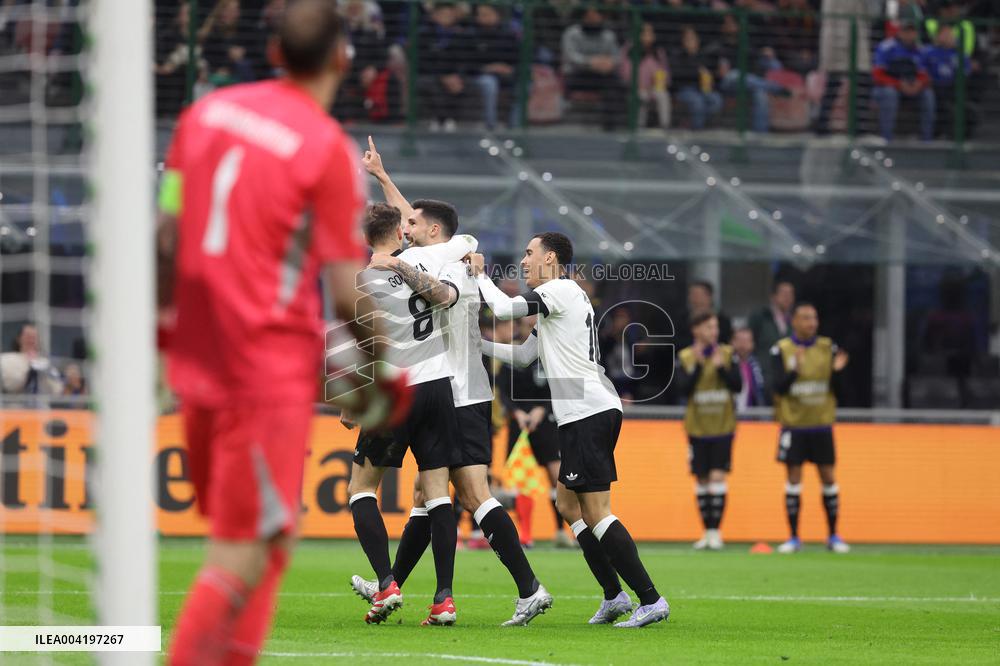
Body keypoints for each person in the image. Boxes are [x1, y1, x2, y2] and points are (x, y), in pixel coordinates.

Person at [159, 3, 410, 663]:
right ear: (342, 59)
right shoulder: (325, 148)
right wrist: (383, 368)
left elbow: (165, 233)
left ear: (274, 51)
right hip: (261, 365)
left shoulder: (202, 115)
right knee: (243, 549)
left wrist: (163, 338)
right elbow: (341, 287)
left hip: (198, 356)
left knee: (267, 536)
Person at [350, 138, 552, 626]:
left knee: (472, 494)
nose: (406, 228)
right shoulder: (450, 255)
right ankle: (399, 586)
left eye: (414, 225)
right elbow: (410, 221)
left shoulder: (443, 261)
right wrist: (382, 176)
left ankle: (528, 588)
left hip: (457, 390)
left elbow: (410, 236)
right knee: (429, 494)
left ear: (431, 231)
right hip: (451, 387)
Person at [470, 233, 670, 629]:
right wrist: (479, 343)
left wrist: (480, 274)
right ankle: (614, 596)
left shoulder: (560, 288)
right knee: (567, 505)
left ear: (552, 258)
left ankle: (650, 599)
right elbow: (527, 356)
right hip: (582, 412)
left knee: (596, 513)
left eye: (529, 254)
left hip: (587, 410)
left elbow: (505, 307)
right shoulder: (556, 302)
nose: (524, 262)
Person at [340, 202, 476, 627]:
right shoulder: (425, 259)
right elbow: (465, 244)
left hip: (397, 390)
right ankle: (444, 599)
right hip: (438, 386)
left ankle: (386, 582)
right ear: (400, 233)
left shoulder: (360, 281)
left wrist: (349, 404)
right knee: (437, 492)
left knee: (361, 488)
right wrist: (471, 257)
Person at [770, 302, 851, 554]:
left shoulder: (828, 348)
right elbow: (777, 388)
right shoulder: (781, 350)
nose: (811, 323)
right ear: (794, 321)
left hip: (821, 425)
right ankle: (793, 537)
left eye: (814, 318)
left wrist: (837, 373)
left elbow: (841, 392)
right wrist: (794, 369)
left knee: (828, 478)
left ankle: (833, 536)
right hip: (794, 426)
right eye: (805, 318)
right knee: (793, 479)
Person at [496, 316, 572, 548]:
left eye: (534, 326)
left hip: (546, 424)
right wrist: (516, 412)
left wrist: (543, 408)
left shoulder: (550, 353)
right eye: (527, 326)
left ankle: (563, 531)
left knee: (556, 476)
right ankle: (525, 534)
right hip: (519, 424)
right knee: (520, 480)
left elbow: (559, 387)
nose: (530, 330)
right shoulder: (511, 356)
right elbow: (503, 391)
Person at [675, 311, 742, 551]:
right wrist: (701, 366)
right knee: (702, 479)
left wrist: (722, 368)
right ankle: (706, 531)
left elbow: (738, 385)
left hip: (723, 426)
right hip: (697, 427)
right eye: (708, 327)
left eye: (715, 327)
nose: (713, 332)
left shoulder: (727, 354)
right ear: (697, 330)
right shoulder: (685, 356)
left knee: (717, 477)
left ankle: (716, 531)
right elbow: (683, 389)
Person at [815, 0, 874, 135]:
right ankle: (822, 127)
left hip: (856, 38)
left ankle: (860, 128)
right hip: (838, 42)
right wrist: (841, 44)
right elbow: (836, 17)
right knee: (834, 83)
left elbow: (871, 15)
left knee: (862, 80)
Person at [561, 5, 624, 131]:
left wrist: (609, 63)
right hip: (577, 74)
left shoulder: (608, 35)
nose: (592, 19)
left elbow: (616, 57)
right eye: (589, 16)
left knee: (617, 83)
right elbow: (571, 57)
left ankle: (611, 127)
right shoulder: (572, 33)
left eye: (596, 15)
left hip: (601, 75)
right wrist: (591, 62)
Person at [872, 20, 936, 141]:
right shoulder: (887, 47)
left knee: (928, 95)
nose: (909, 34)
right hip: (887, 87)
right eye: (906, 31)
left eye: (912, 31)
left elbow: (925, 74)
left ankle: (927, 139)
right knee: (889, 94)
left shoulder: (920, 50)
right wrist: (898, 84)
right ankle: (887, 138)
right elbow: (877, 75)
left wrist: (919, 84)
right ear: (900, 32)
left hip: (911, 87)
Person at [468, 3, 520, 130]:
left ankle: (515, 126)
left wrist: (510, 69)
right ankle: (491, 125)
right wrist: (487, 68)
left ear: (497, 15)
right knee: (489, 84)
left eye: (487, 14)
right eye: (480, 15)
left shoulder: (509, 34)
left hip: (506, 75)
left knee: (524, 84)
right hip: (481, 75)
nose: (482, 17)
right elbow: (467, 62)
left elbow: (518, 58)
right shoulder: (471, 34)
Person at [619, 21, 671, 129]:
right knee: (641, 95)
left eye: (650, 32)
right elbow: (624, 72)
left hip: (654, 88)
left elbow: (666, 73)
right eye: (644, 32)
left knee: (663, 95)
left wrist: (661, 82)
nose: (648, 35)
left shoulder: (658, 52)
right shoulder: (629, 49)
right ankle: (639, 127)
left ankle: (665, 126)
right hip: (635, 87)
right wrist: (638, 84)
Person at [670, 25, 722, 130]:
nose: (691, 42)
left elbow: (712, 75)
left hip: (702, 89)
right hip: (684, 90)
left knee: (716, 99)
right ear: (683, 41)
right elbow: (677, 75)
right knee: (697, 102)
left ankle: (695, 123)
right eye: (687, 39)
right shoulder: (678, 55)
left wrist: (713, 75)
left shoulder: (704, 56)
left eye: (693, 38)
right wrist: (697, 72)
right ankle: (697, 131)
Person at [749, 279, 795, 393]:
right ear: (773, 297)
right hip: (764, 377)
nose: (787, 297)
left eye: (790, 294)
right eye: (784, 294)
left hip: (788, 379)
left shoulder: (796, 321)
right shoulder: (760, 317)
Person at [0, 323, 63, 395]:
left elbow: (57, 389)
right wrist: (30, 368)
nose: (31, 340)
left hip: (40, 404)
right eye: (28, 336)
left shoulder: (46, 363)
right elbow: (9, 385)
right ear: (19, 339)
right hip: (14, 404)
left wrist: (43, 371)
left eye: (34, 337)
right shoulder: (6, 359)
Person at [676, 280, 732, 351]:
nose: (694, 298)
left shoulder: (722, 320)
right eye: (691, 294)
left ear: (709, 296)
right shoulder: (682, 319)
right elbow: (677, 342)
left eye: (697, 295)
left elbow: (725, 342)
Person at [731, 327, 766, 410]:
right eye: (739, 340)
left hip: (751, 417)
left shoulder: (758, 366)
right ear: (732, 342)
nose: (742, 344)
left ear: (752, 344)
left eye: (746, 341)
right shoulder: (726, 363)